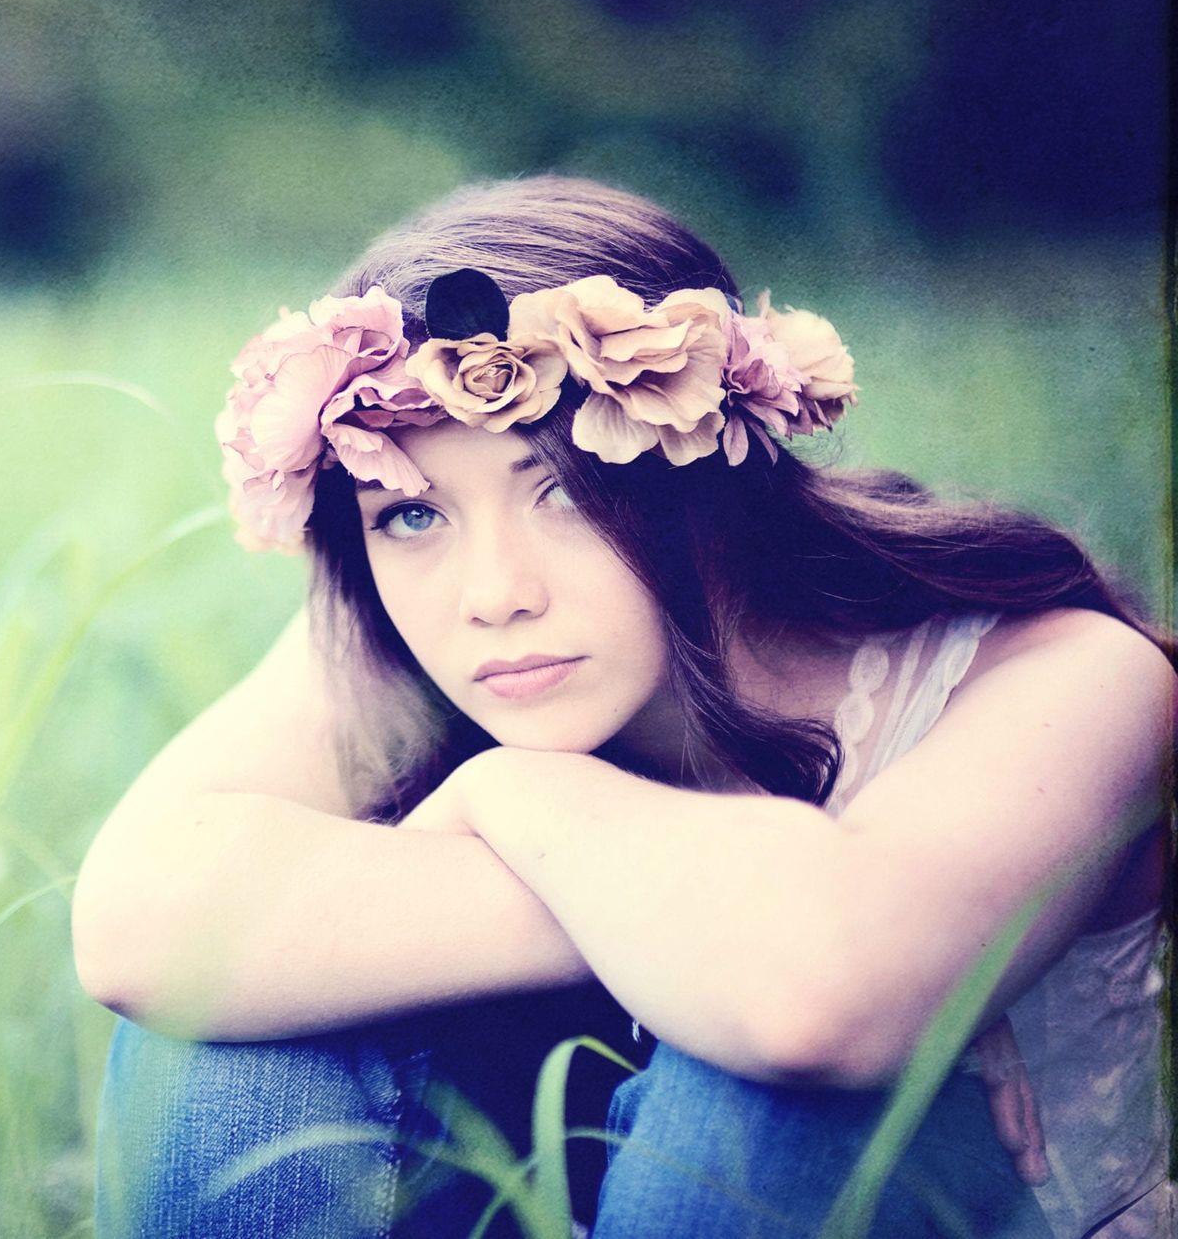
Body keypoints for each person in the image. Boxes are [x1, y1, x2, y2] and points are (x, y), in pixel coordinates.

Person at [71, 176, 1173, 1237]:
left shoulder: (1066, 678)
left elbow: (813, 997)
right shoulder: (407, 636)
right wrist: (667, 918)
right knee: (218, 1039)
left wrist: (513, 792)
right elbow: (141, 922)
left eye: (564, 491)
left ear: (704, 467)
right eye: (409, 515)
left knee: (764, 1094)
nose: (495, 595)